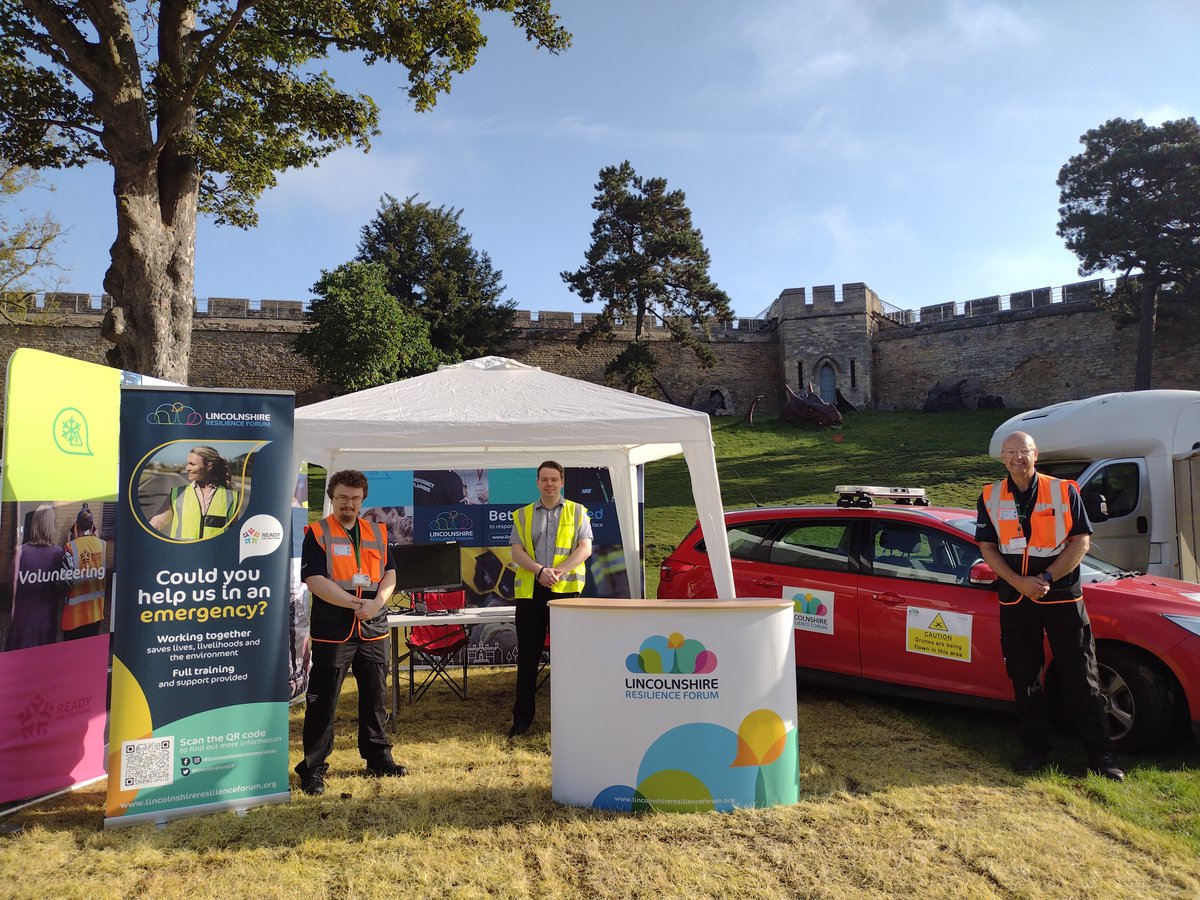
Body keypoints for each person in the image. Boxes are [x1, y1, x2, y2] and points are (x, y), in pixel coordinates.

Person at [976, 431, 1124, 782]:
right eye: (1011, 452)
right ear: (1002, 458)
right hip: (1017, 599)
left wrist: (1045, 577)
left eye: (1024, 451)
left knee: (1082, 675)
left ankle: (1100, 756)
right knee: (1024, 676)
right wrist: (1020, 583)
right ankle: (1034, 751)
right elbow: (987, 548)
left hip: (1062, 597)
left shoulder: (1064, 491)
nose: (1018, 458)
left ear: (1036, 454)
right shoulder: (989, 496)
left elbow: (1081, 542)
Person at [294, 470, 407, 796]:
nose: (349, 504)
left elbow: (390, 574)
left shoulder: (377, 531)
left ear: (363, 500)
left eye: (355, 499)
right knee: (323, 702)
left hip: (373, 626)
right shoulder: (317, 533)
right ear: (332, 497)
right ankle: (313, 768)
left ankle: (378, 758)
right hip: (334, 629)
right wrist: (353, 603)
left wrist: (377, 603)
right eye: (342, 497)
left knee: (375, 698)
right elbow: (314, 580)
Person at [506, 461, 592, 738]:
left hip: (566, 592)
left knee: (568, 659)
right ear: (537, 482)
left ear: (562, 481)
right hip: (531, 592)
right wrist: (540, 571)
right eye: (544, 479)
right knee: (527, 658)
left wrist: (558, 572)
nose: (549, 484)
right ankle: (522, 720)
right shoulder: (523, 515)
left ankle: (570, 718)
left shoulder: (578, 511)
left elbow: (585, 549)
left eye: (554, 479)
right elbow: (516, 551)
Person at [7, 505, 67, 650]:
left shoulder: (21, 552)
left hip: (23, 620)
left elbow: (12, 587)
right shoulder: (59, 553)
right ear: (51, 526)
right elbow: (63, 588)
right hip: (46, 620)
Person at [149, 446, 238, 540]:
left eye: (192, 464)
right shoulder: (177, 494)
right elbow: (157, 522)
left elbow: (235, 534)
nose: (187, 468)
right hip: (183, 549)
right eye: (188, 463)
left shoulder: (231, 497)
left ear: (209, 466)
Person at [62, 503, 107, 640]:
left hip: (74, 618)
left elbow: (65, 583)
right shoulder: (102, 545)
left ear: (76, 525)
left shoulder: (70, 547)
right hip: (95, 615)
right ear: (92, 527)